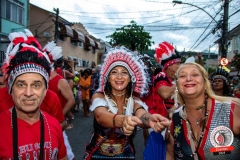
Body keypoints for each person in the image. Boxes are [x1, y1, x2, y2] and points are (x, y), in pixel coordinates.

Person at [83, 46, 171, 160]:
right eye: (114, 72)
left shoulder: (134, 101)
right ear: (108, 78)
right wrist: (123, 120)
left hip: (125, 153)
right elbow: (100, 116)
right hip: (97, 154)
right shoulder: (99, 96)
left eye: (124, 73)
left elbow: (142, 114)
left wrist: (150, 119)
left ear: (131, 78)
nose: (119, 76)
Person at [0, 29, 67, 159]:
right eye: (21, 85)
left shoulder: (53, 125)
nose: (28, 93)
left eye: (36, 85)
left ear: (45, 89)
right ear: (10, 89)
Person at [166, 62, 240, 160]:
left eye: (195, 74)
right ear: (177, 86)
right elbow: (170, 155)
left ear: (205, 83)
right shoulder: (174, 118)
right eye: (182, 76)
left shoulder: (231, 109)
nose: (188, 79)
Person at [143, 41, 181, 160]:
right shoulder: (161, 76)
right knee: (157, 154)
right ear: (170, 65)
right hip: (158, 121)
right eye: (178, 64)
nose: (180, 66)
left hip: (164, 121)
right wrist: (180, 84)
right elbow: (164, 93)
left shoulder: (170, 79)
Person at [43, 41, 76, 160]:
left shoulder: (60, 80)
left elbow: (71, 100)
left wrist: (59, 117)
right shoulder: (39, 80)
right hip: (39, 124)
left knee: (66, 155)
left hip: (55, 125)